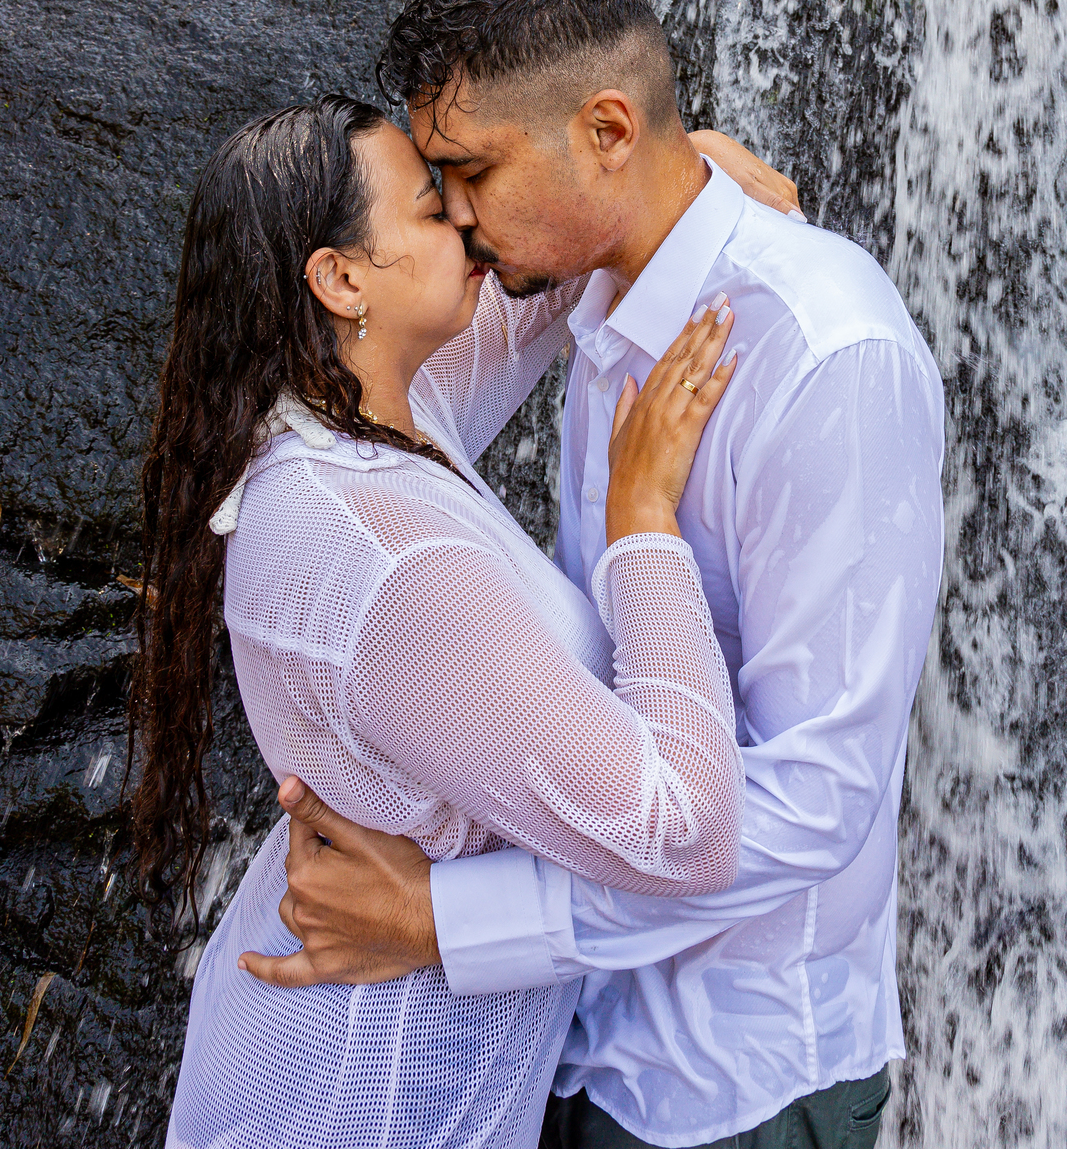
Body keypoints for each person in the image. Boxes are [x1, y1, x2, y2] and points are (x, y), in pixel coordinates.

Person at [241, 0, 947, 1149]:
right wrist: (690, 168)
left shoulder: (829, 360)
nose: (455, 220)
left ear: (608, 132)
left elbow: (818, 796)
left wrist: (450, 920)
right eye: (434, 186)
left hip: (727, 1079)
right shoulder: (592, 281)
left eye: (470, 173)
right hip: (559, 1045)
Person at [136, 91, 792, 1149]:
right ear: (341, 279)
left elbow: (543, 275)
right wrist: (642, 523)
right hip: (361, 1102)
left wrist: (668, 171)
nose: (468, 220)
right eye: (431, 207)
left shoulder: (365, 413)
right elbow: (686, 831)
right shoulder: (384, 559)